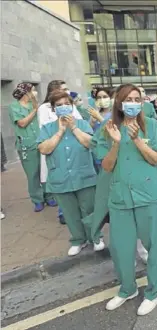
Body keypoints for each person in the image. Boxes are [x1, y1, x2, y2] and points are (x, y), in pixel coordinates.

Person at [100, 84, 157, 315]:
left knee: (154, 246)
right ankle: (128, 288)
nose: (132, 103)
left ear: (142, 102)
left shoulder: (151, 124)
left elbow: (155, 159)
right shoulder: (107, 128)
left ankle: (155, 290)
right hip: (120, 198)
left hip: (148, 196)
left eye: (137, 99)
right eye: (127, 98)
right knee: (120, 248)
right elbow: (107, 166)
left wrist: (137, 140)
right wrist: (117, 143)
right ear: (118, 102)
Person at [36, 90, 100, 255]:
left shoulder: (82, 124)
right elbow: (44, 148)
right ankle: (78, 240)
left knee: (89, 209)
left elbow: (90, 144)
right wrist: (60, 131)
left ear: (72, 106)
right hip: (60, 178)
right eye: (59, 105)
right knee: (70, 212)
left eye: (67, 104)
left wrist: (73, 128)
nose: (63, 107)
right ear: (53, 109)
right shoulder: (47, 128)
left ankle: (95, 237)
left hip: (84, 175)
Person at [38, 80, 83, 223]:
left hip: (74, 148)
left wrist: (73, 126)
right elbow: (43, 132)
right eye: (64, 89)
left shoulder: (71, 106)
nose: (67, 91)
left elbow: (81, 124)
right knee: (62, 181)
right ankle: (64, 212)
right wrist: (60, 129)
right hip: (56, 148)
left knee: (79, 182)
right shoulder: (44, 109)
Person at [8, 83, 57, 212]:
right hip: (26, 145)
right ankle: (37, 200)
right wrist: (35, 110)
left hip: (40, 142)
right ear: (26, 92)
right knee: (33, 173)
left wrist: (36, 106)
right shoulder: (14, 107)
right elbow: (22, 123)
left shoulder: (35, 105)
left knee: (45, 171)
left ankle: (49, 196)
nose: (35, 93)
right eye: (33, 91)